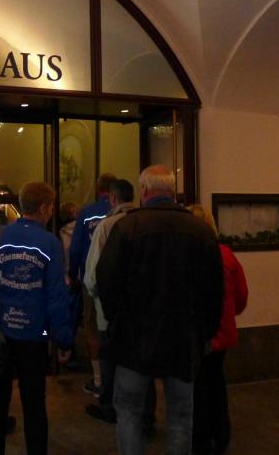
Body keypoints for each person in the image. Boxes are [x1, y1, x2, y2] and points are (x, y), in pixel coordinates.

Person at [96, 165, 224, 455]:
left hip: (134, 337)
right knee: (181, 416)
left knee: (129, 411)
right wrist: (205, 332)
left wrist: (116, 319)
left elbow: (107, 279)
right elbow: (214, 289)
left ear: (143, 190)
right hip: (184, 337)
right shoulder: (201, 231)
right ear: (172, 191)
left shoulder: (128, 227)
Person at [0, 182, 73, 455]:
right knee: (34, 403)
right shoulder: (49, 243)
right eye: (50, 207)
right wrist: (64, 339)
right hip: (34, 336)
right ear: (43, 208)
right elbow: (56, 296)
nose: (51, 212)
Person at [83, 179, 156, 435]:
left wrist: (97, 298)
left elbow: (92, 275)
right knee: (143, 365)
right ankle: (146, 416)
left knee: (110, 360)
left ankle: (109, 407)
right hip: (144, 309)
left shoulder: (106, 226)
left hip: (111, 311)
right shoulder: (148, 223)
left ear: (112, 199)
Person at [187, 205, 249, 455]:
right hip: (224, 331)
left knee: (198, 386)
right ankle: (221, 433)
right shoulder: (227, 255)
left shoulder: (188, 256)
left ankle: (201, 438)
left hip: (199, 332)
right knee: (216, 382)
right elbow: (242, 296)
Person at [67, 173, 117, 380]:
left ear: (98, 189)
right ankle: (116, 373)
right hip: (117, 277)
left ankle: (98, 377)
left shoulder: (87, 213)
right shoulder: (120, 212)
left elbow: (76, 248)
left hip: (91, 277)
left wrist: (73, 274)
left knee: (92, 325)